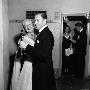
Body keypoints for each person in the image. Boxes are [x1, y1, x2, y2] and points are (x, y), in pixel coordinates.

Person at [20, 13, 57, 90]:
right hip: (40, 68)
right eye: (35, 20)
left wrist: (26, 47)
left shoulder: (46, 34)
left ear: (44, 21)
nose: (35, 23)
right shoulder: (41, 33)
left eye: (38, 20)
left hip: (43, 70)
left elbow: (43, 55)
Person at [11, 19, 36, 90]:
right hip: (29, 64)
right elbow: (21, 54)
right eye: (25, 26)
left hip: (37, 63)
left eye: (29, 25)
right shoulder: (23, 38)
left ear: (33, 25)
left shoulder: (37, 35)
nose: (28, 27)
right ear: (24, 28)